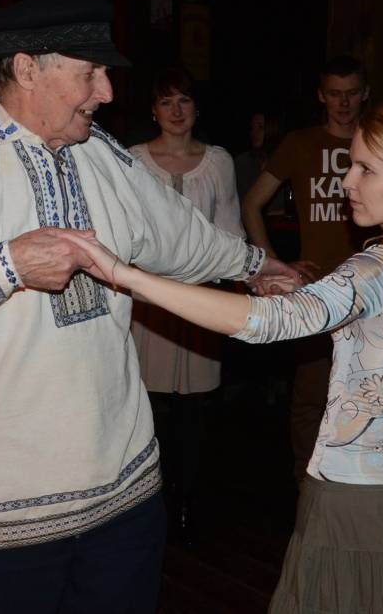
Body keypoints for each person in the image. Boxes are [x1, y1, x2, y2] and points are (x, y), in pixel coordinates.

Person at [0, 0, 298, 614]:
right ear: (28, 69)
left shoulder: (102, 153)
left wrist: (255, 265)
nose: (106, 92)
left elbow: (178, 234)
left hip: (124, 500)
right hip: (0, 524)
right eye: (90, 73)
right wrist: (5, 265)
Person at [62, 98, 383, 613]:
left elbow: (268, 323)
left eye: (366, 169)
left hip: (362, 492)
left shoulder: (378, 268)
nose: (346, 182)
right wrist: (306, 293)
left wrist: (127, 276)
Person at [241, 55, 375, 482]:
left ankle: (356, 482)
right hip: (318, 289)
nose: (343, 102)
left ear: (365, 93)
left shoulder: (379, 141)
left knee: (368, 392)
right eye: (335, 94)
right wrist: (273, 264)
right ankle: (308, 486)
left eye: (351, 93)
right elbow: (251, 204)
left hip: (373, 287)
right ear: (321, 96)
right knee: (312, 396)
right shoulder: (301, 143)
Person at [128, 66, 243, 546]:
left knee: (195, 408)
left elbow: (230, 232)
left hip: (201, 299)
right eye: (166, 102)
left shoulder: (218, 161)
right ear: (153, 111)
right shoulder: (132, 161)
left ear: (197, 108)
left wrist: (241, 281)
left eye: (184, 101)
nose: (176, 111)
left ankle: (188, 503)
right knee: (148, 405)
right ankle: (148, 502)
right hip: (147, 301)